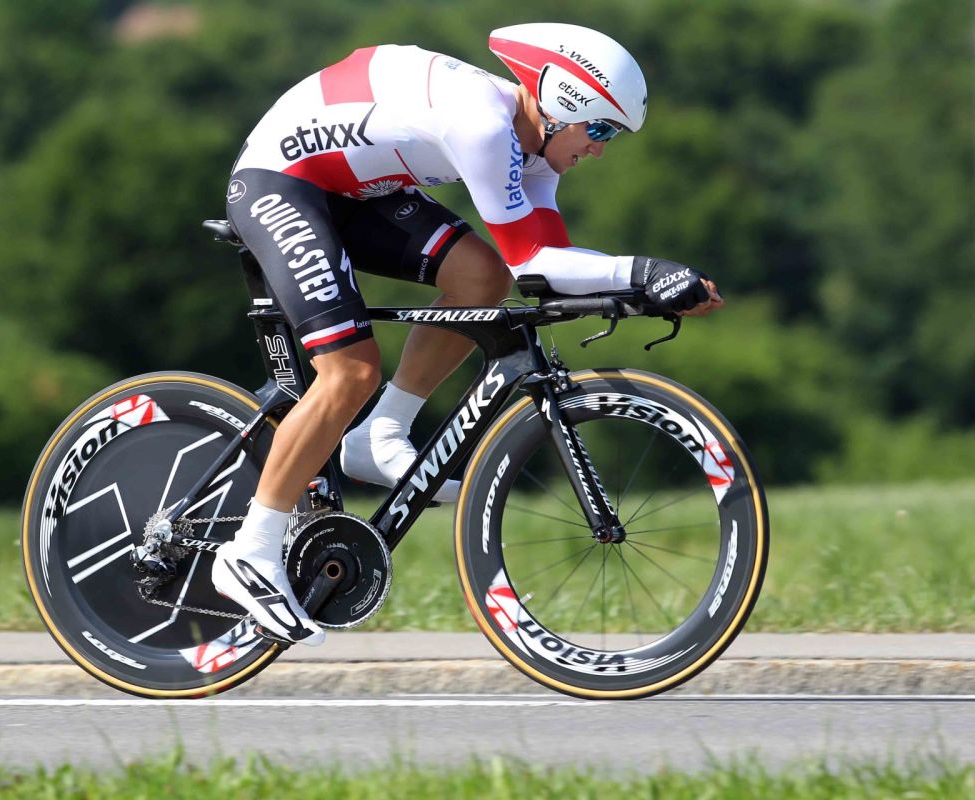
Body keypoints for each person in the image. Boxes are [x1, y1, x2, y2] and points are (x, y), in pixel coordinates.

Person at [211, 22, 723, 645]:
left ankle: (379, 434)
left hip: (353, 190)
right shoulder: (482, 125)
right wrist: (647, 273)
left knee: (482, 278)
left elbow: (544, 271)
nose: (600, 150)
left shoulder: (535, 152)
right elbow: (536, 264)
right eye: (602, 130)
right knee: (350, 371)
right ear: (563, 104)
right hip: (282, 181)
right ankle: (250, 551)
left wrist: (642, 289)